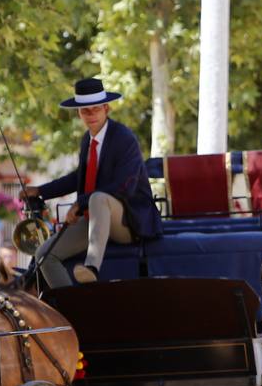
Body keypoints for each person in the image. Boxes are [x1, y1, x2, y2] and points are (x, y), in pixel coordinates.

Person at [21, 78, 160, 288]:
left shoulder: (124, 138)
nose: (91, 114)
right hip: (95, 218)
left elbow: (125, 185)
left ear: (107, 108)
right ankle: (73, 310)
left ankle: (91, 267)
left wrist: (82, 203)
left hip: (129, 222)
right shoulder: (88, 140)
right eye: (86, 110)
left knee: (98, 198)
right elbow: (78, 177)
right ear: (79, 113)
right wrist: (40, 191)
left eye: (96, 109)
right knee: (44, 255)